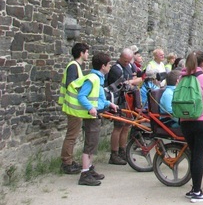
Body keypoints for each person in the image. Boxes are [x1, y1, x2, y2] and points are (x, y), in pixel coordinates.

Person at [69, 51, 119, 186]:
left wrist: (109, 104)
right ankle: (84, 173)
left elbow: (98, 97)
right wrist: (90, 108)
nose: (110, 67)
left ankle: (89, 168)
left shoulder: (99, 78)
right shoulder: (93, 78)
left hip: (96, 114)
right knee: (90, 144)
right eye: (108, 64)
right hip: (91, 115)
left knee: (94, 143)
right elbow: (82, 96)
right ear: (103, 66)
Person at [179, 51, 203, 203]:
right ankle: (196, 191)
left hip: (185, 121)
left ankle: (193, 189)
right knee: (199, 156)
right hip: (202, 120)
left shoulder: (182, 78)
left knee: (194, 153)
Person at [106, 47, 142, 165]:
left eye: (128, 60)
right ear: (120, 57)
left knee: (127, 126)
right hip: (119, 101)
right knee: (118, 126)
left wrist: (131, 81)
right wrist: (132, 82)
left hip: (128, 100)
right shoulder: (116, 69)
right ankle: (114, 153)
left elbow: (138, 79)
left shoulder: (130, 66)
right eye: (125, 60)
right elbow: (121, 85)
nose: (126, 63)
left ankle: (122, 151)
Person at [59, 42, 90, 174]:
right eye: (86, 52)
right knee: (71, 135)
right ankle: (66, 162)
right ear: (81, 53)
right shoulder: (73, 66)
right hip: (73, 107)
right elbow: (71, 84)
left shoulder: (76, 66)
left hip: (74, 106)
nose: (88, 54)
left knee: (72, 135)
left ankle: (69, 161)